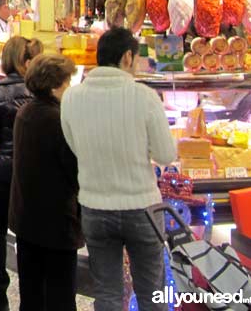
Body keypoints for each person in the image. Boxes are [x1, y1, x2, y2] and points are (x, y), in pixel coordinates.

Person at [60, 28, 176, 311]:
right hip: (142, 208)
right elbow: (165, 155)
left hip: (95, 208)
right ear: (127, 57)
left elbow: (75, 147)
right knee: (152, 295)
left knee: (108, 294)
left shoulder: (72, 98)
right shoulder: (146, 97)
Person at [9, 53, 82, 311]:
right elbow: (75, 173)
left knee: (31, 294)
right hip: (55, 223)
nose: (69, 87)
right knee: (60, 297)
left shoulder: (25, 112)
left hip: (27, 219)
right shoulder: (59, 120)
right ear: (54, 85)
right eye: (66, 82)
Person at [0, 36, 40, 311]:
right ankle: (32, 298)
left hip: (3, 172)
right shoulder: (40, 90)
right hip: (33, 173)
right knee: (29, 237)